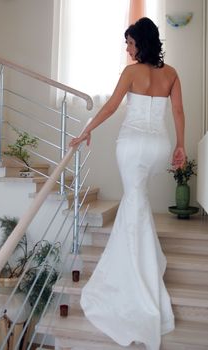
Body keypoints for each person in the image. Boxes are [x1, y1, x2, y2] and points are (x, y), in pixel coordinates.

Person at [69, 17, 186, 350]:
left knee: (134, 199)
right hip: (159, 145)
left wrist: (86, 129)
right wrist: (179, 145)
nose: (127, 48)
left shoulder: (131, 73)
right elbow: (178, 111)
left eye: (130, 42)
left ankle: (137, 277)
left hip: (132, 144)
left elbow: (110, 105)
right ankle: (146, 263)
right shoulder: (172, 73)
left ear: (141, 43)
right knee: (138, 199)